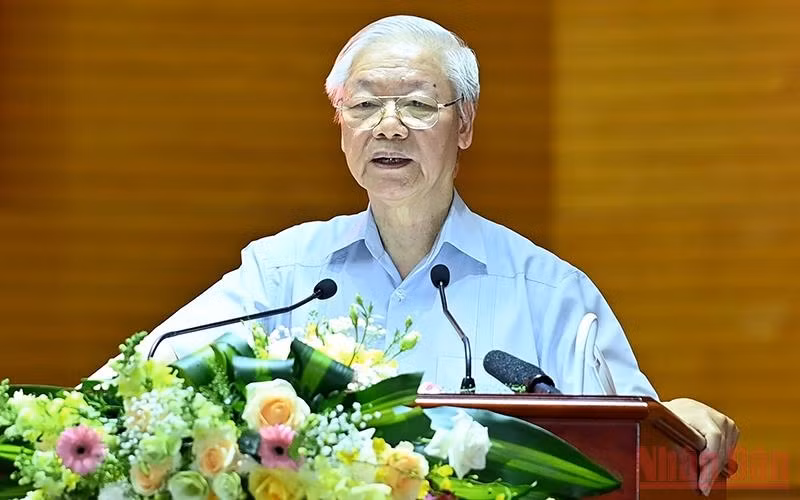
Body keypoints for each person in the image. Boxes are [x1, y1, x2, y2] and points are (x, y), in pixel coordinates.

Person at [91, 15, 738, 495]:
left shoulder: (549, 291)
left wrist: (681, 419)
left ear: (466, 124)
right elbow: (140, 379)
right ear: (339, 124)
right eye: (367, 104)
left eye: (419, 105)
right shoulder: (280, 275)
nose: (390, 125)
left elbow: (639, 443)